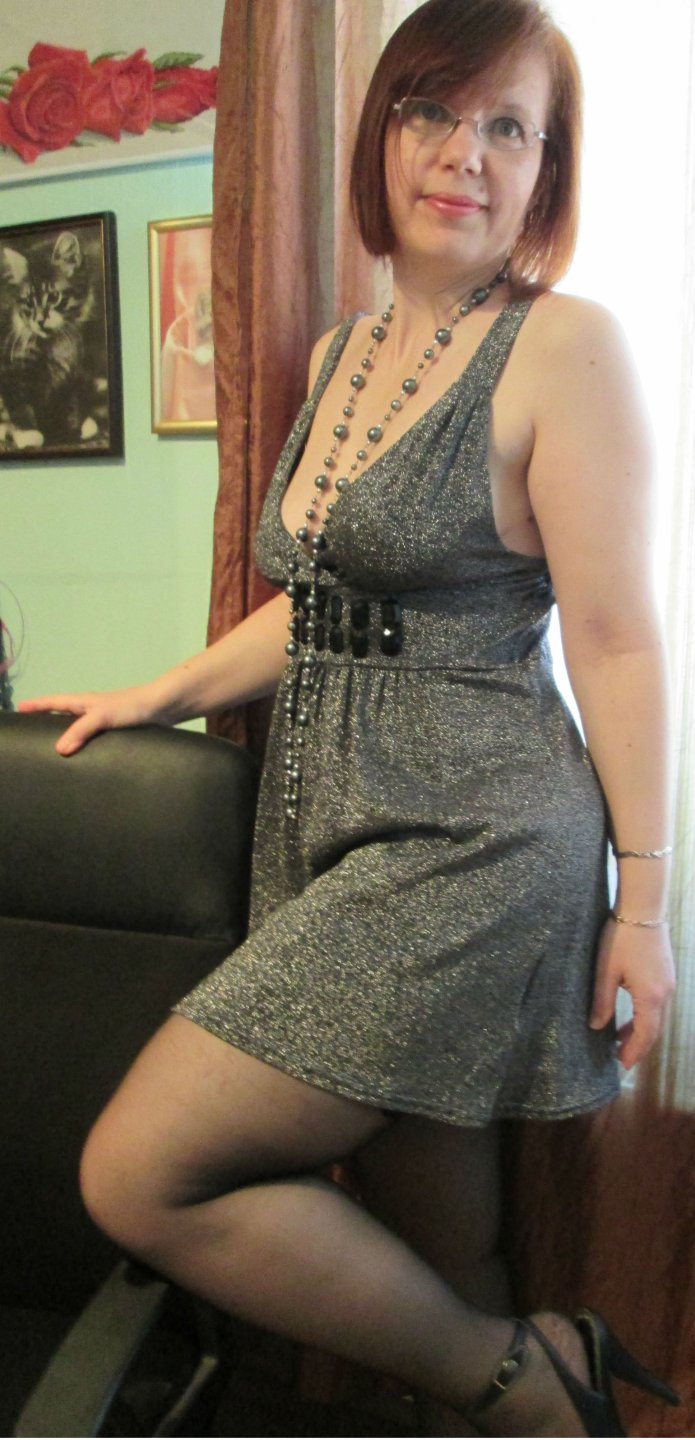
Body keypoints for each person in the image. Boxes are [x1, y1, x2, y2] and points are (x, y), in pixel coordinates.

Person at [20, 0, 680, 1432]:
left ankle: (530, 1384)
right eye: (433, 111)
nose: (464, 153)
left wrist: (645, 904)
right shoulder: (341, 357)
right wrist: (160, 690)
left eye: (509, 127)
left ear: (547, 167)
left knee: (140, 1174)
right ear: (382, 134)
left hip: (475, 838)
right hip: (333, 819)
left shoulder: (566, 347)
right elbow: (326, 606)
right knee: (435, 1229)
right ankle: (512, 1386)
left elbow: (621, 639)